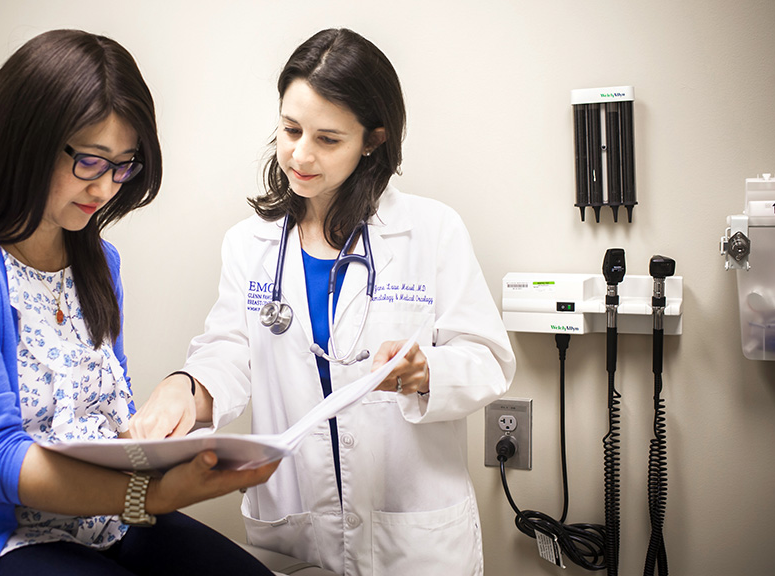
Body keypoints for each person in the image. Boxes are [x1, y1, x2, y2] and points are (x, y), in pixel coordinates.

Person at [0, 29, 278, 576]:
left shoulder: (96, 260)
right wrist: (151, 495)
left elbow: (95, 416)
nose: (106, 188)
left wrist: (156, 442)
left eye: (124, 165)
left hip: (99, 523)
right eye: (91, 161)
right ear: (23, 141)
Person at [128, 28, 516, 576]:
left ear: (373, 139)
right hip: (295, 532)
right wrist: (187, 389)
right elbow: (231, 353)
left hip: (412, 535)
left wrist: (425, 370)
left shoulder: (431, 232)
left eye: (328, 139)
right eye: (290, 129)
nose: (300, 154)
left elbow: (489, 359)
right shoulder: (250, 245)